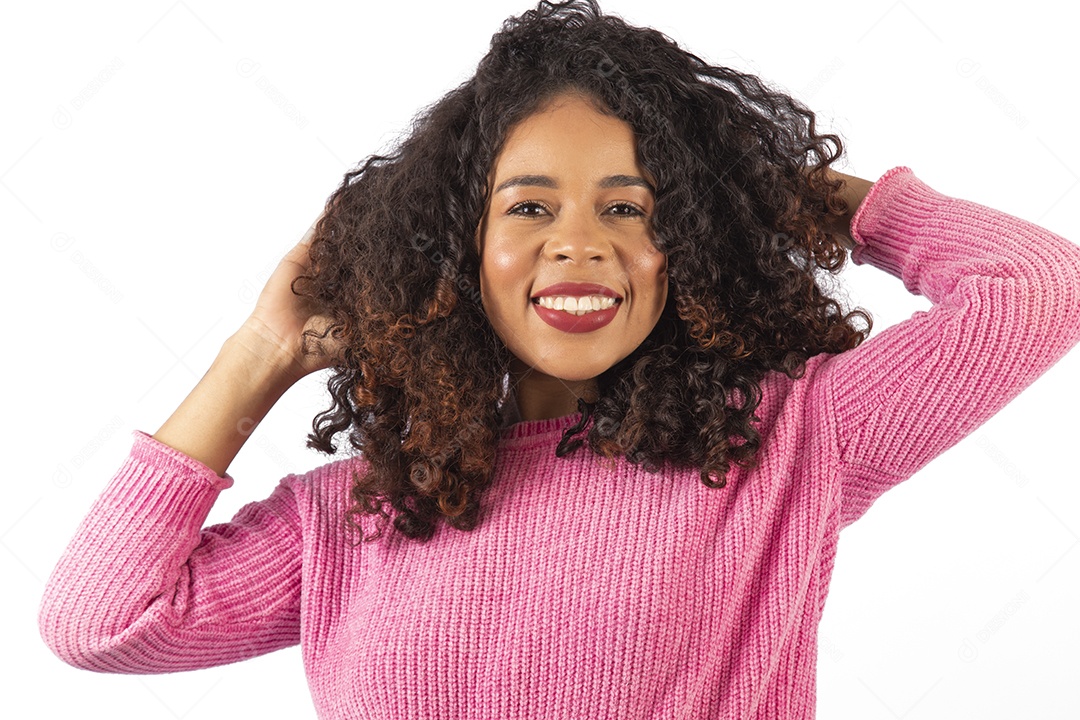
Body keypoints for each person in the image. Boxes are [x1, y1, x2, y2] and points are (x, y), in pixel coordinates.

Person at [37, 1, 1080, 718]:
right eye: (529, 206)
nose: (578, 243)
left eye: (631, 208)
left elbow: (1035, 288)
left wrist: (786, 192)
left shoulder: (785, 442)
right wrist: (261, 353)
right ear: (459, 246)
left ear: (690, 244)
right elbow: (100, 623)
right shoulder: (359, 510)